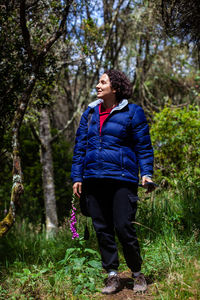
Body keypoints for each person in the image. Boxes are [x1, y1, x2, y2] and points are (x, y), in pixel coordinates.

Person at [71, 70, 154, 294]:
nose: (97, 85)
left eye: (103, 82)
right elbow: (80, 148)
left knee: (124, 226)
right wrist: (77, 176)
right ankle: (112, 276)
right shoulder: (89, 113)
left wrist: (146, 173)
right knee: (102, 229)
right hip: (93, 179)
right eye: (98, 81)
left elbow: (143, 147)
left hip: (122, 179)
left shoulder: (132, 111)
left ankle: (137, 273)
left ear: (115, 88)